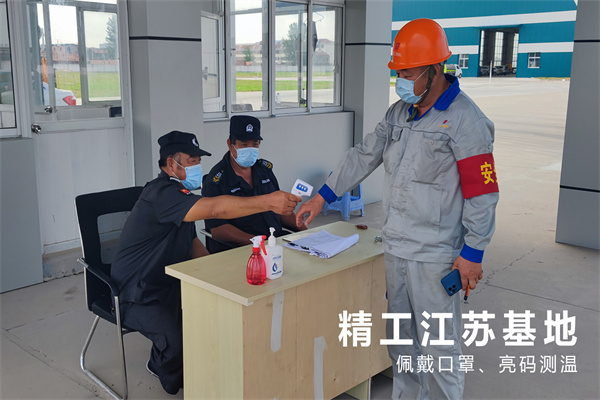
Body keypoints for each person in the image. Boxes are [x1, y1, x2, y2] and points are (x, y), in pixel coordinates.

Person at [296, 19, 499, 400]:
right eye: (398, 73)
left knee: (440, 349)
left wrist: (473, 252)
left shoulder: (466, 122)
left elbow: (482, 192)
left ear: (434, 69)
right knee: (402, 344)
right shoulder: (399, 114)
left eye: (407, 73)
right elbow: (364, 155)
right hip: (396, 248)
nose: (400, 81)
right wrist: (322, 196)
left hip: (436, 257)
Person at [110, 130, 300, 395]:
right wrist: (268, 202)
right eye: (191, 161)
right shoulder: (161, 194)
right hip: (136, 292)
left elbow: (191, 243)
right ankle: (167, 371)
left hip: (168, 282)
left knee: (212, 322)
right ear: (171, 164)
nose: (197, 166)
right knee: (176, 342)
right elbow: (215, 209)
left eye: (199, 160)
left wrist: (220, 278)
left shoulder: (182, 195)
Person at [202, 115, 306, 253]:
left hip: (274, 243)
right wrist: (260, 244)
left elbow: (280, 210)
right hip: (240, 248)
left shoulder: (264, 170)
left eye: (255, 144)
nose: (250, 149)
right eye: (244, 145)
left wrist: (306, 231)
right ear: (230, 144)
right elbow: (219, 230)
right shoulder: (216, 180)